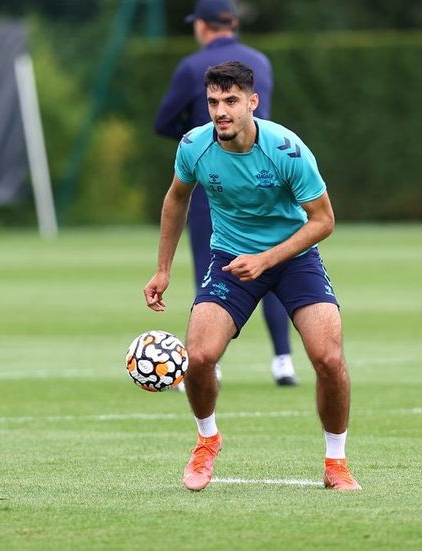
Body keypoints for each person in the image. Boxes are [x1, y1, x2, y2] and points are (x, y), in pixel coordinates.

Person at [143, 62, 361, 492]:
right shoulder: (194, 147)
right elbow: (176, 199)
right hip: (230, 259)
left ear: (252, 103)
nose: (220, 111)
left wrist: (266, 258)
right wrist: (163, 268)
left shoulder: (287, 149)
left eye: (231, 101)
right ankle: (207, 441)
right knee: (200, 357)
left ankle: (336, 462)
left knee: (329, 359)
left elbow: (323, 221)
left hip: (294, 257)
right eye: (212, 102)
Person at [154, 0, 297, 386]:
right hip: (267, 175)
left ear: (202, 26)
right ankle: (283, 360)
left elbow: (164, 121)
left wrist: (195, 132)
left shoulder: (191, 68)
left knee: (213, 269)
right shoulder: (260, 63)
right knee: (272, 265)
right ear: (232, 23)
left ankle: (210, 362)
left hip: (214, 183)